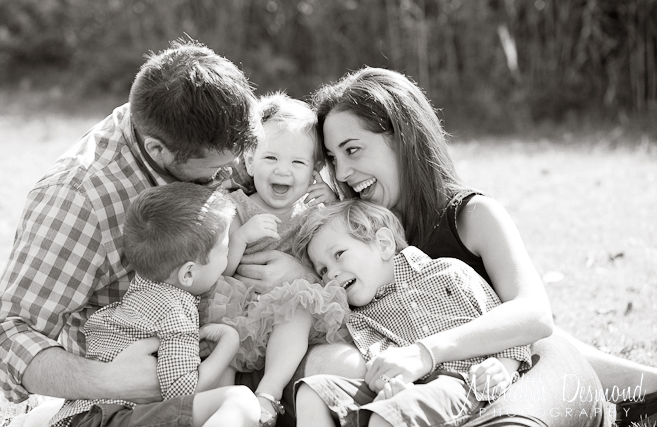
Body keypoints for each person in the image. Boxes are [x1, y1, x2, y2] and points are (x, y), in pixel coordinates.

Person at [300, 66, 657, 427]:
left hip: (498, 375)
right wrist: (333, 223)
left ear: (403, 137)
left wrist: (426, 353)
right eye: (333, 159)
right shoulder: (349, 243)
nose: (341, 173)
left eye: (353, 150)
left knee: (544, 345)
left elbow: (533, 314)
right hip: (422, 393)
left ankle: (646, 390)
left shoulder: (471, 216)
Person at [0, 39, 264, 422]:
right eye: (215, 171)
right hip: (135, 399)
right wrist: (108, 380)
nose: (232, 175)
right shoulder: (79, 201)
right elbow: (1, 338)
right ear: (157, 150)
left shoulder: (201, 132)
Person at [291, 199, 533, 427]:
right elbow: (382, 367)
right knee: (311, 392)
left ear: (383, 244)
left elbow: (508, 328)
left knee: (388, 415)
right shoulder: (360, 320)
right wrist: (389, 385)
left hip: (463, 382)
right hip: (409, 392)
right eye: (323, 270)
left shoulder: (449, 273)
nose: (331, 274)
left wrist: (503, 368)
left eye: (338, 254)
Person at [50, 182, 259, 427]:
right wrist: (229, 342)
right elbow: (183, 392)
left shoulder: (144, 290)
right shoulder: (174, 308)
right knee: (240, 401)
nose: (228, 258)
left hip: (82, 415)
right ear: (188, 274)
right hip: (110, 417)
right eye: (224, 251)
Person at [199, 93, 351, 426]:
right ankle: (219, 412)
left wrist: (333, 202)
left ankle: (268, 393)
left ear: (314, 172)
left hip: (285, 320)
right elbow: (222, 269)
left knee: (298, 306)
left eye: (298, 163)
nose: (283, 170)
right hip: (239, 313)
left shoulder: (313, 212)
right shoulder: (235, 207)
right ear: (250, 161)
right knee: (223, 350)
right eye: (271, 157)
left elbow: (334, 252)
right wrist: (241, 237)